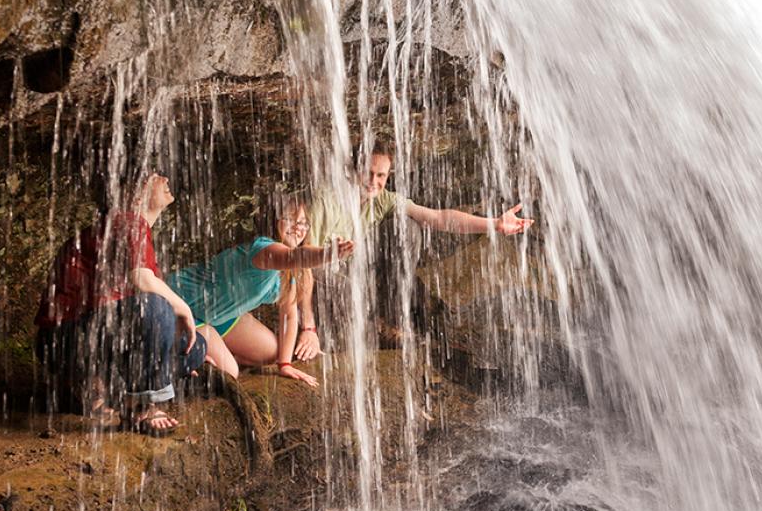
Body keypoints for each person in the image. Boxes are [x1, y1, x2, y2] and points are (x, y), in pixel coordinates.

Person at [300, 138, 534, 357]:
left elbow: (439, 218)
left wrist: (495, 224)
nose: (373, 181)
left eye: (381, 175)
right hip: (327, 283)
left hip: (360, 278)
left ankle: (392, 320)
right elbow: (301, 261)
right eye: (367, 173)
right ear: (352, 170)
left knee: (407, 228)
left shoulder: (384, 200)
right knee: (336, 283)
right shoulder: (325, 199)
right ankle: (348, 331)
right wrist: (308, 327)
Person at [35, 172, 206, 435]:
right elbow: (141, 280)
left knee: (194, 347)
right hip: (67, 339)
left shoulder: (126, 229)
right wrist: (183, 308)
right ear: (134, 194)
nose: (164, 177)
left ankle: (94, 388)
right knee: (156, 307)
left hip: (78, 343)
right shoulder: (127, 222)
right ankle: (144, 403)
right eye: (154, 174)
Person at [165, 192, 355, 387]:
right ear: (274, 220)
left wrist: (285, 364)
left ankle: (212, 349)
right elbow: (293, 256)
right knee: (230, 373)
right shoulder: (263, 249)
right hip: (184, 305)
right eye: (290, 219)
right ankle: (190, 354)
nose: (298, 228)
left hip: (221, 316)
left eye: (304, 223)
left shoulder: (292, 275)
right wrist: (328, 253)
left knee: (273, 352)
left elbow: (289, 316)